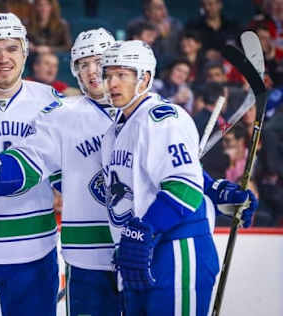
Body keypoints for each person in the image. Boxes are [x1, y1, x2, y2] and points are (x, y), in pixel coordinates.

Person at [0, 34, 259, 316]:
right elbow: (27, 163)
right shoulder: (64, 115)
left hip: (150, 248)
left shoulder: (151, 113)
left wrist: (214, 188)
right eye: (82, 65)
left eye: (100, 63)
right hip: (93, 254)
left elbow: (177, 175)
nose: (93, 72)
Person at [99, 40, 257, 315]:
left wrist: (142, 231)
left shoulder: (161, 118)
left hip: (177, 252)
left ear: (144, 78)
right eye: (109, 75)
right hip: (141, 254)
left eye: (122, 74)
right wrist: (213, 186)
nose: (112, 82)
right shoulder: (116, 129)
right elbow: (177, 171)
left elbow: (183, 185)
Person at [0, 13, 62, 316]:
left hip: (34, 249)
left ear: (25, 52)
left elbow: (67, 170)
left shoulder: (50, 100)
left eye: (11, 48)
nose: (3, 58)